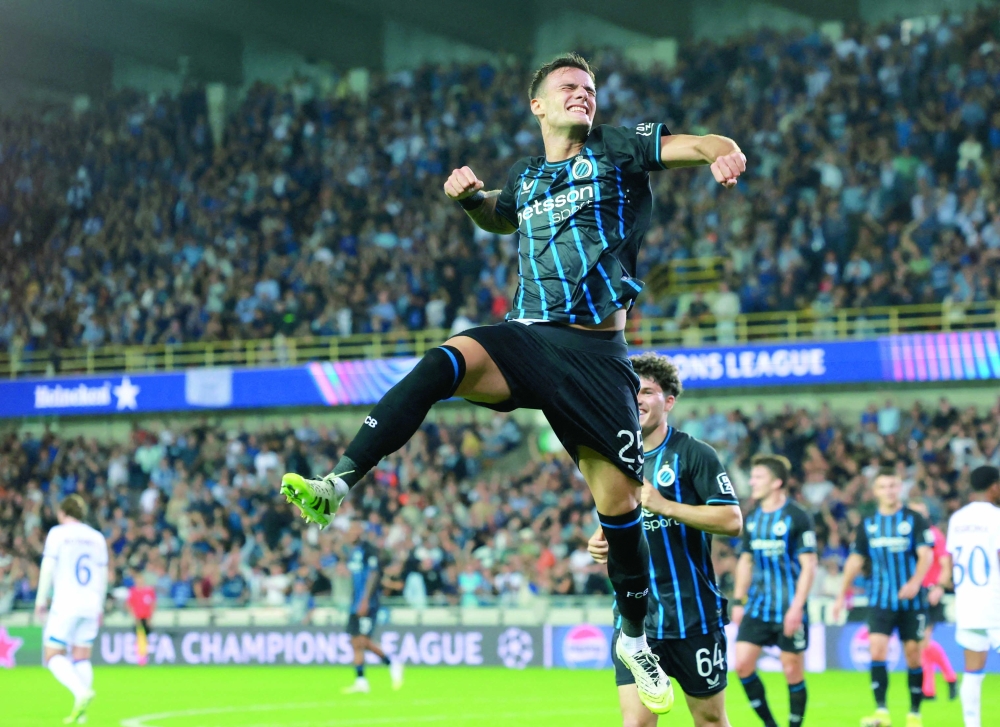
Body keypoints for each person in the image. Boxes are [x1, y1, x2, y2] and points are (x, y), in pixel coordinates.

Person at [279, 52, 746, 713]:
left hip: (598, 355)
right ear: (538, 105)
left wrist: (723, 151)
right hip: (527, 339)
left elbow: (696, 143)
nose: (583, 95)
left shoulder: (617, 147)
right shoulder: (528, 177)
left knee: (619, 511)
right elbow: (501, 216)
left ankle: (635, 637)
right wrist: (472, 201)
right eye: (569, 87)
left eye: (589, 88)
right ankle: (338, 483)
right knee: (443, 360)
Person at [588, 353, 743, 726]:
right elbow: (617, 517)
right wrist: (601, 538)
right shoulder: (615, 460)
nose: (637, 399)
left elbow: (732, 520)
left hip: (694, 616)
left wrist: (665, 506)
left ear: (669, 401)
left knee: (710, 719)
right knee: (636, 723)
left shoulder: (694, 454)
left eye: (647, 391)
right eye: (631, 391)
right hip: (637, 622)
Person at [833, 470, 935, 727]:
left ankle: (914, 714)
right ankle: (881, 712)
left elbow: (926, 554)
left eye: (893, 485)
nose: (889, 490)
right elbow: (855, 559)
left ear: (899, 488)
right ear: (875, 491)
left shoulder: (914, 519)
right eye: (883, 486)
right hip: (880, 599)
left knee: (913, 654)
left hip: (912, 601)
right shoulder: (868, 523)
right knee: (877, 650)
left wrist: (915, 582)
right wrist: (841, 593)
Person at [731, 455, 818, 727]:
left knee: (792, 669)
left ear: (777, 482)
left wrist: (797, 607)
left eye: (758, 477)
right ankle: (770, 724)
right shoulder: (753, 518)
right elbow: (746, 561)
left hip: (789, 607)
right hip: (758, 607)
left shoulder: (797, 516)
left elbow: (809, 565)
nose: (752, 482)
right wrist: (738, 600)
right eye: (752, 477)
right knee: (742, 665)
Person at [34, 495, 109, 724]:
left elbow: (48, 567)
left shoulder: (58, 534)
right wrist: (100, 606)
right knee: (81, 657)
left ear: (62, 513)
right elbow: (103, 575)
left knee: (52, 655)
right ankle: (81, 713)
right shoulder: (97, 538)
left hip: (66, 602)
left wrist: (40, 600)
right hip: (91, 603)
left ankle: (80, 692)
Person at [938, 465, 1000, 727]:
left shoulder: (958, 519)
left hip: (967, 604)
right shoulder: (996, 517)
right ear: (994, 486)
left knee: (973, 671)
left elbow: (950, 559)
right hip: (995, 602)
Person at [342, 522, 403, 694]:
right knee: (355, 642)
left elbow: (374, 575)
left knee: (362, 640)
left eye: (353, 530)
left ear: (360, 532)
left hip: (368, 602)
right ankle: (361, 681)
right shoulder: (353, 552)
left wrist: (365, 600)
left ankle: (392, 663)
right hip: (355, 602)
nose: (349, 534)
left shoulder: (369, 550)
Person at [907, 501, 957, 701]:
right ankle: (943, 682)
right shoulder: (908, 537)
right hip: (914, 593)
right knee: (921, 643)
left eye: (921, 513)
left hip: (930, 593)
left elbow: (946, 564)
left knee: (923, 642)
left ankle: (932, 687)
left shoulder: (934, 535)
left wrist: (939, 587)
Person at [126, 570, 157, 666]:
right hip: (138, 619)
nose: (139, 582)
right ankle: (140, 658)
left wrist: (150, 617)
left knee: (146, 638)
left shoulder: (149, 591)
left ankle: (146, 657)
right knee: (139, 638)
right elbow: (129, 605)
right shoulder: (133, 591)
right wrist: (134, 617)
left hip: (146, 618)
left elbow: (153, 604)